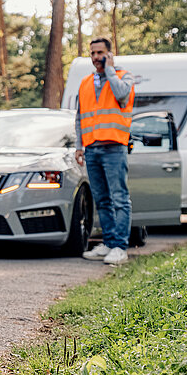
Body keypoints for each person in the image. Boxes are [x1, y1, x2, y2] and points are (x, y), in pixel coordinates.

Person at [73, 37, 135, 264]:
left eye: (100, 53)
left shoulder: (124, 76)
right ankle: (108, 243)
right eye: (92, 53)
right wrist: (79, 146)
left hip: (114, 148)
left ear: (109, 54)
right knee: (102, 199)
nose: (95, 57)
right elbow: (80, 117)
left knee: (120, 198)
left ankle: (120, 247)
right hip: (92, 149)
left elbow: (121, 95)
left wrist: (109, 70)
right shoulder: (85, 82)